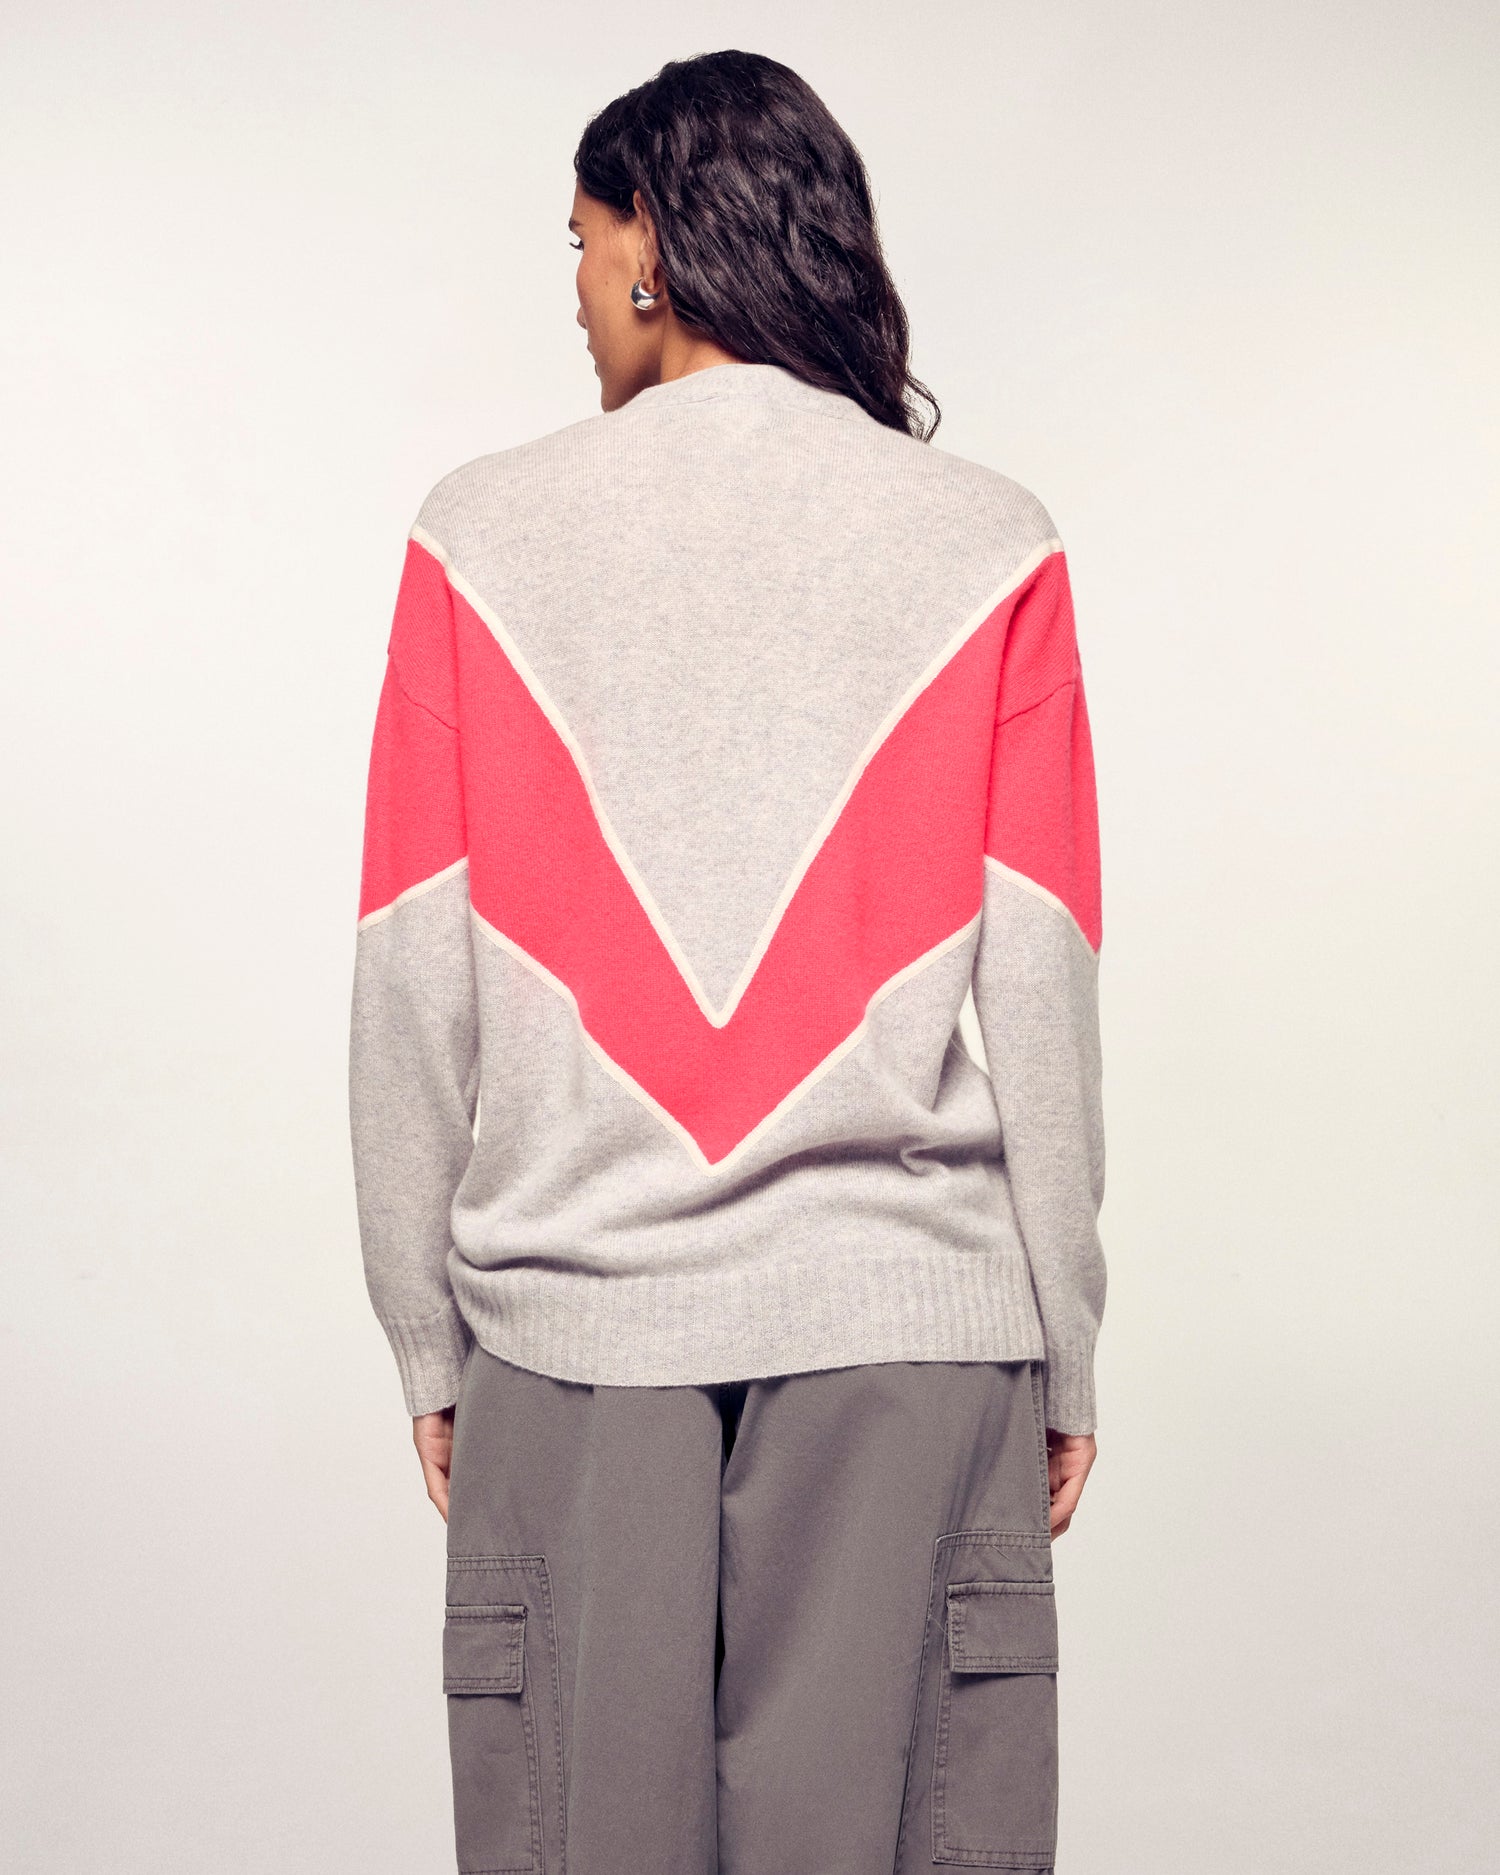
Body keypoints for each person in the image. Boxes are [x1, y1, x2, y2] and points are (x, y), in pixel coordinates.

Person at [349, 47, 1106, 1875]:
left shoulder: (478, 534)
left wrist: (424, 1334)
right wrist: (1068, 1340)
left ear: (651, 246)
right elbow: (1044, 971)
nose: (573, 286)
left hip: (571, 1330)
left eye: (580, 237)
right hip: (906, 1337)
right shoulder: (989, 539)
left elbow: (408, 969)